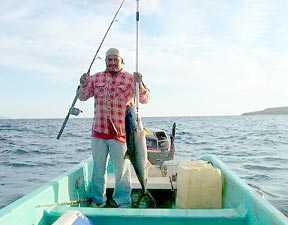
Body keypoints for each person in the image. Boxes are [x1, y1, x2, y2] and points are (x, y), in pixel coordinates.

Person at [78, 48, 150, 208]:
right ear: (105, 61)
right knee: (98, 169)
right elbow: (82, 97)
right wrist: (82, 84)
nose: (111, 62)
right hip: (99, 133)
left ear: (121, 61)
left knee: (122, 171)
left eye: (115, 59)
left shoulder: (130, 79)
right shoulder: (95, 78)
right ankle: (98, 200)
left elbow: (144, 99)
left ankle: (123, 201)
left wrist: (141, 83)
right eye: (108, 60)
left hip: (122, 134)